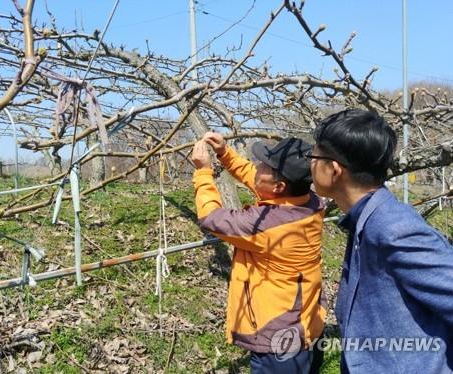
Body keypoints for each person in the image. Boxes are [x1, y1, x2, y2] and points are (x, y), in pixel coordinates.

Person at [309, 109, 453, 373]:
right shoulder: (367, 219)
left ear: (334, 169)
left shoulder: (391, 226)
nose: (310, 164)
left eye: (314, 156)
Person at [191, 132, 326, 373]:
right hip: (308, 322)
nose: (257, 166)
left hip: (279, 340)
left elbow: (211, 218)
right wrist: (225, 153)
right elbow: (257, 179)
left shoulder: (268, 225)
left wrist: (203, 172)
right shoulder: (309, 201)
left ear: (279, 186)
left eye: (265, 164)